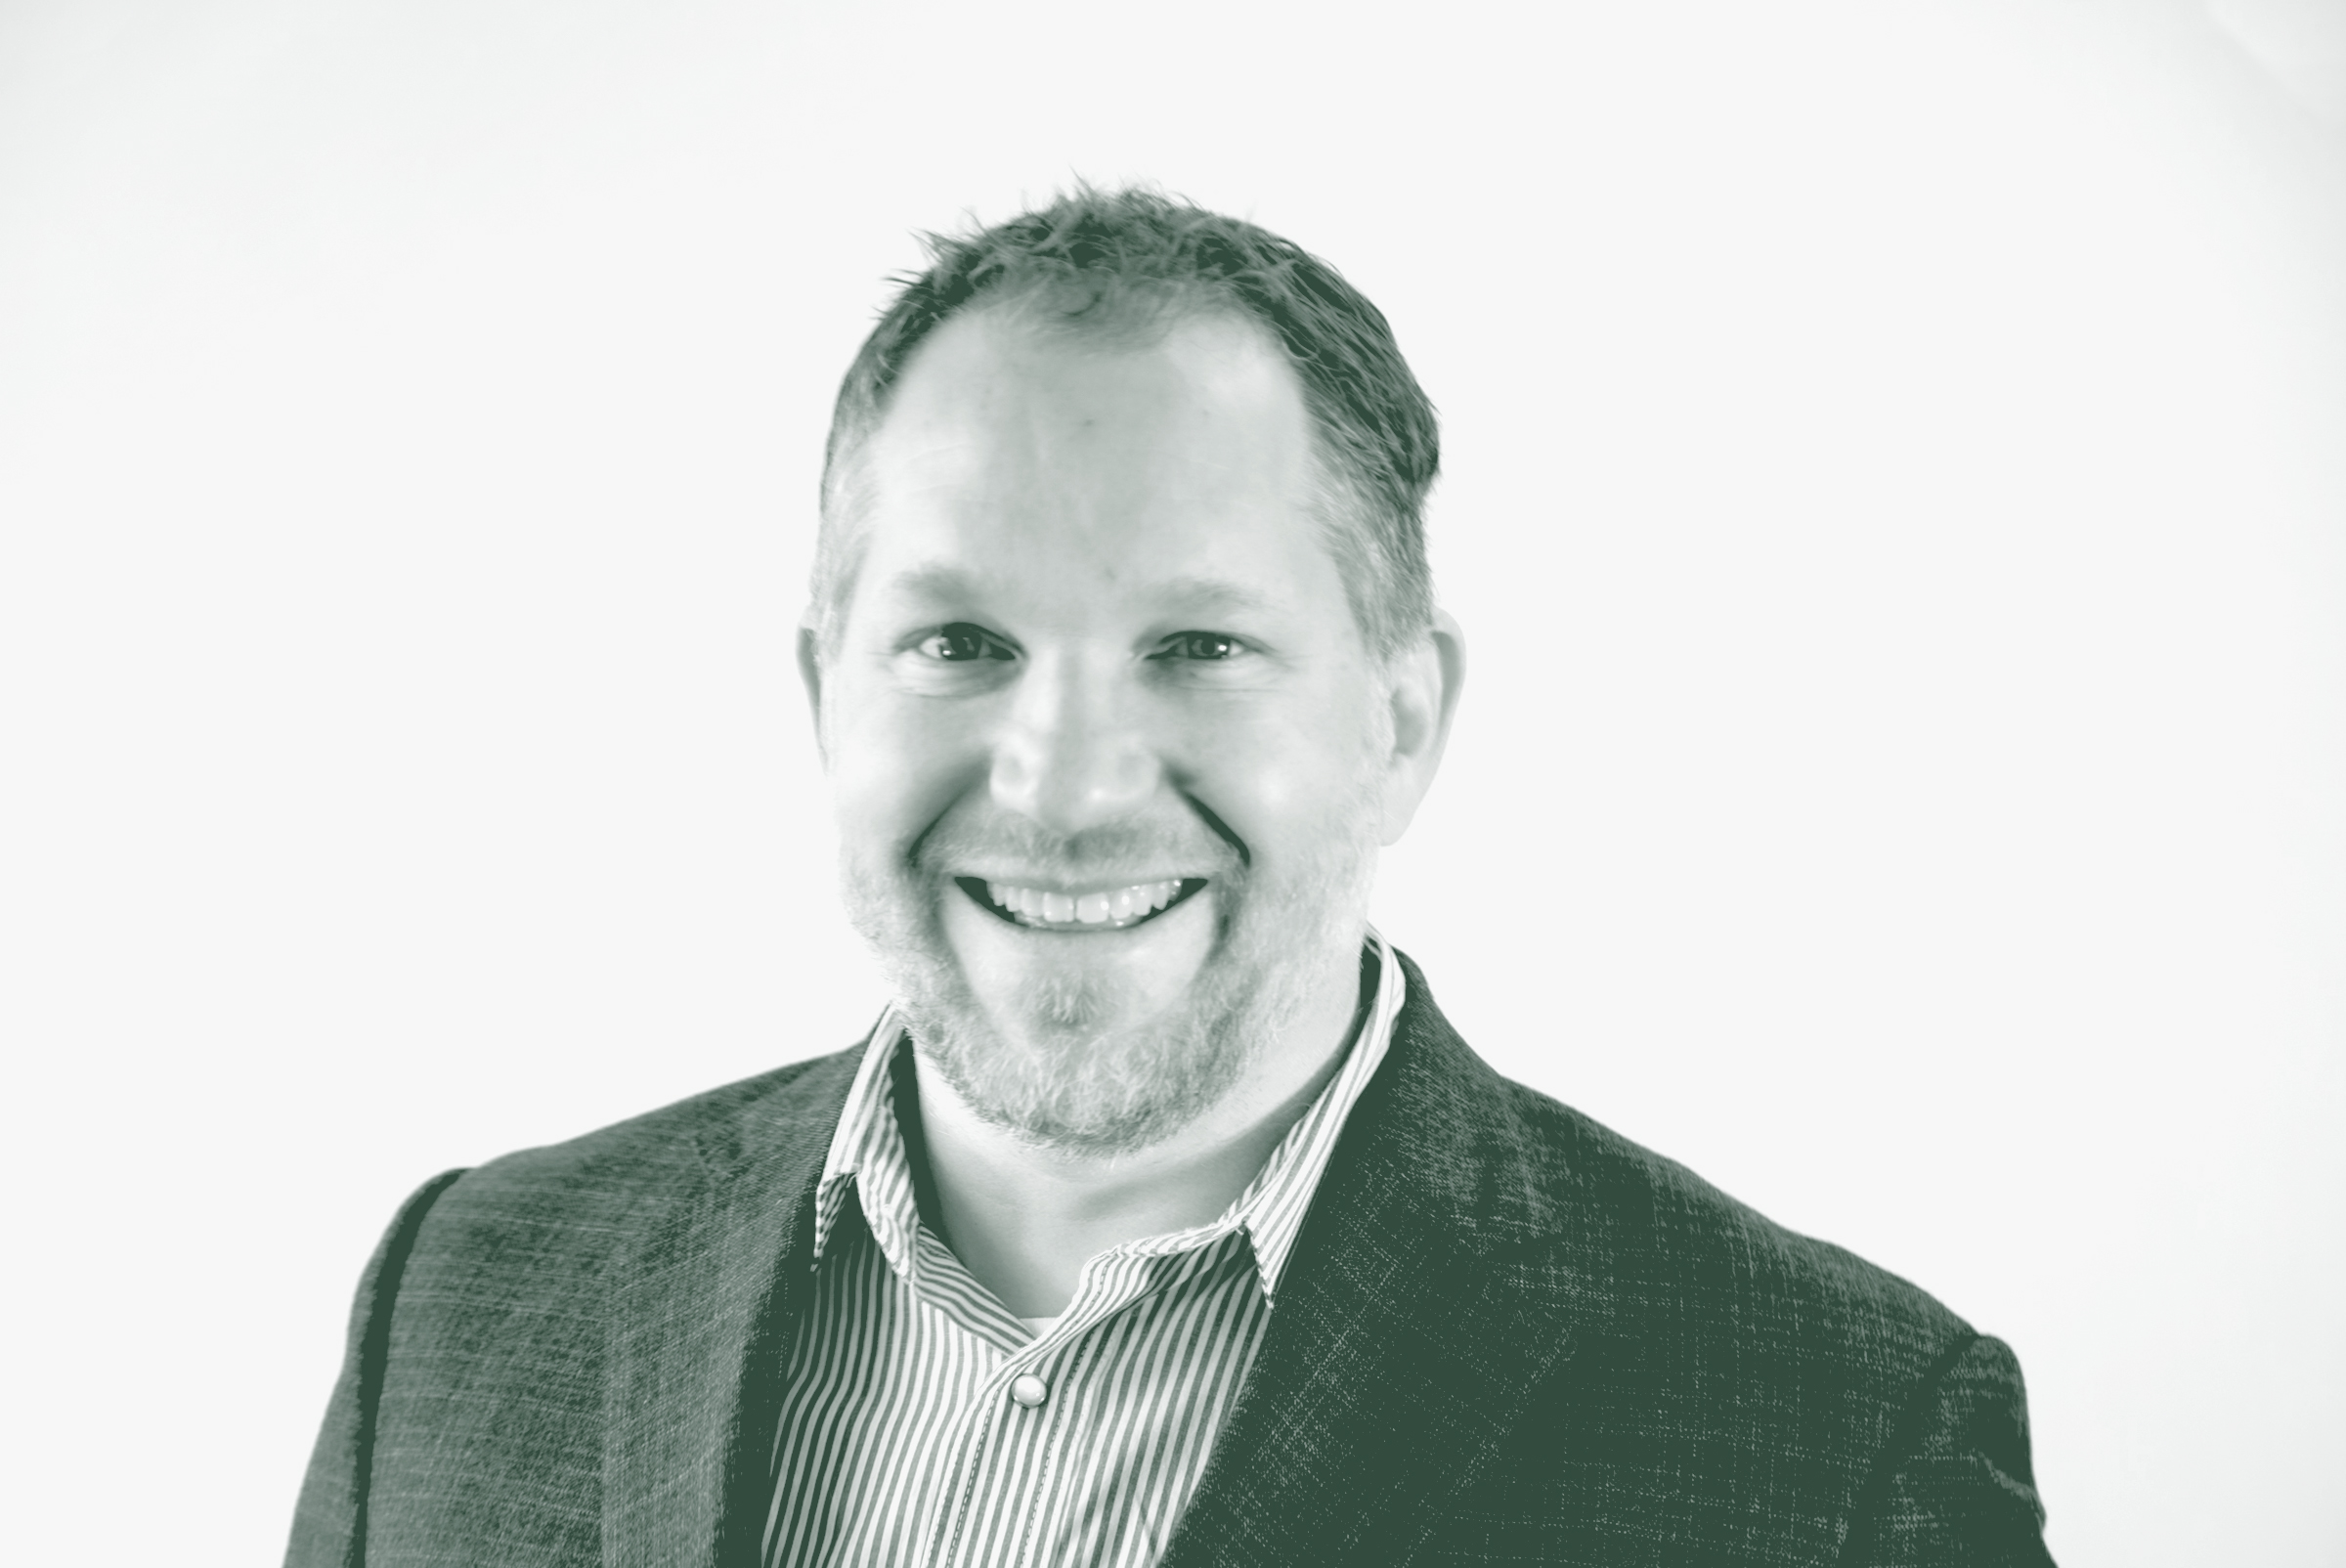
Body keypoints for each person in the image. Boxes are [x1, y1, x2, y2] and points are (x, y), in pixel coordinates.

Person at [286, 187, 2056, 1567]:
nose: (1060, 785)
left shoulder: (1840, 1446)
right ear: (820, 692)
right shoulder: (466, 1291)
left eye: (1198, 645)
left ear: (1403, 718)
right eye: (960, 639)